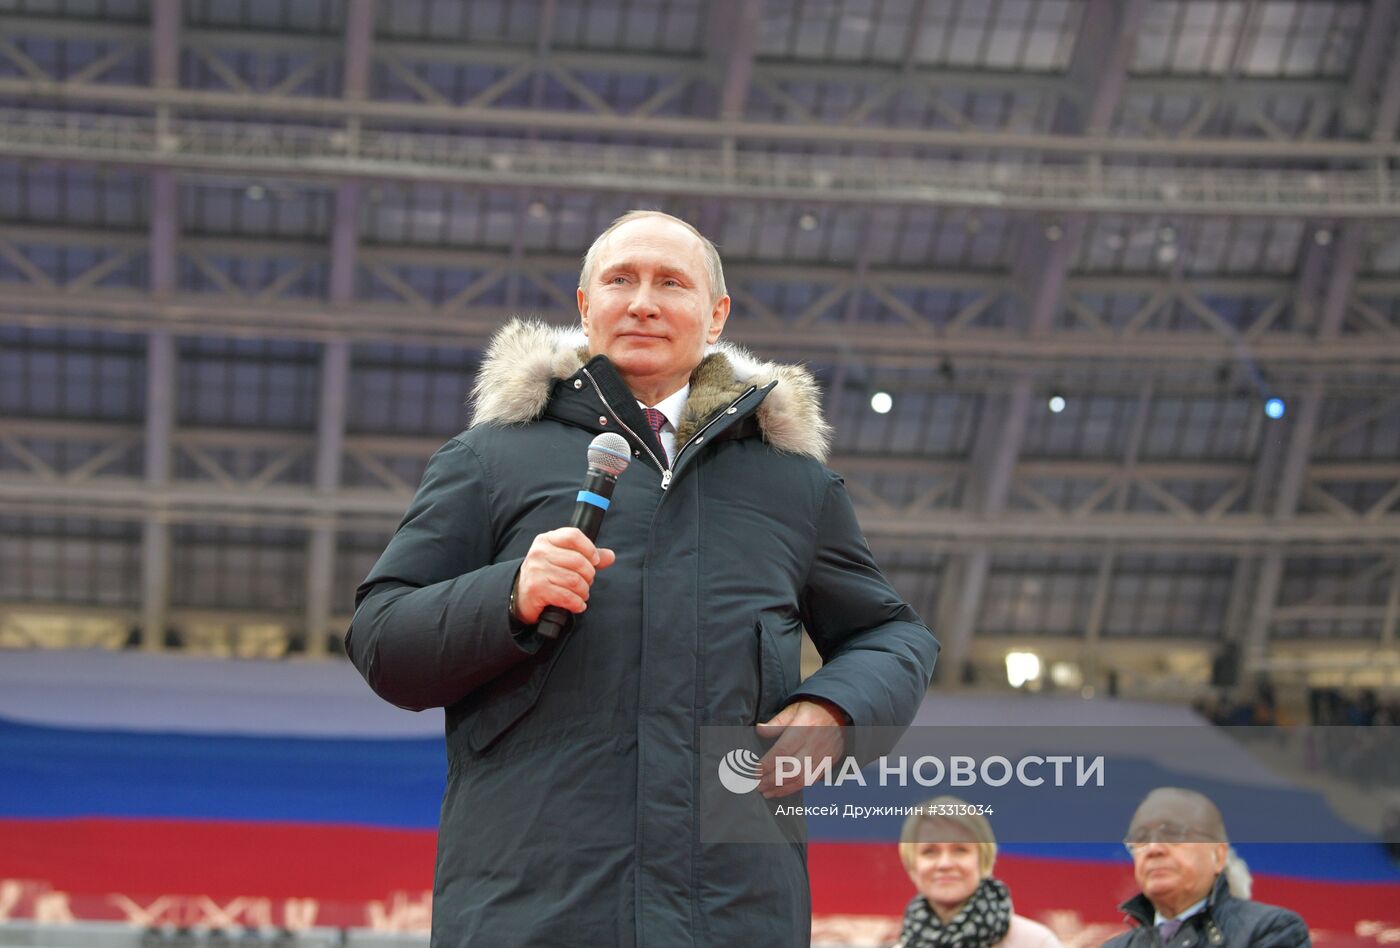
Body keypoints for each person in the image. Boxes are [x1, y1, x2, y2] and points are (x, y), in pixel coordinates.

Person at [346, 209, 939, 946]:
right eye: (620, 280)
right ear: (585, 306)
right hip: (528, 908)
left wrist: (838, 710)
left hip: (733, 912)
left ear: (716, 315)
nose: (643, 301)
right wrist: (508, 595)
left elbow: (893, 633)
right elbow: (381, 639)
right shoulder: (487, 459)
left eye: (671, 283)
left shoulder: (795, 486)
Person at [1103, 788, 1310, 947]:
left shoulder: (1270, 930)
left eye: (1173, 833)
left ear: (1218, 855)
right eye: (1141, 839)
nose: (1154, 848)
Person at [894, 796, 1061, 948]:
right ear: (912, 865)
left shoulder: (1036, 943)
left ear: (982, 859)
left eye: (960, 849)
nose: (945, 863)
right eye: (930, 851)